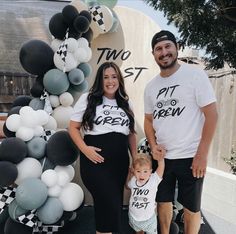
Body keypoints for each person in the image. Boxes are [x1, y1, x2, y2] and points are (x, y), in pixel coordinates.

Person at [144, 30, 218, 234]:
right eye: (159, 48)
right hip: (162, 158)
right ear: (153, 54)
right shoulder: (151, 87)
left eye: (168, 46)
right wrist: (152, 144)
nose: (164, 52)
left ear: (176, 48)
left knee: (192, 209)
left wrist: (202, 154)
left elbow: (212, 114)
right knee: (162, 203)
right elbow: (148, 119)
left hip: (191, 157)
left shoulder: (194, 75)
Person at [69, 61, 137, 234]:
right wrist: (85, 149)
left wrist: (135, 159)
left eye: (114, 77)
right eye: (106, 77)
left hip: (119, 163)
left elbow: (131, 134)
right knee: (108, 203)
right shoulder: (88, 98)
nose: (110, 81)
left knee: (111, 205)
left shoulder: (126, 104)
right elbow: (73, 127)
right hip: (95, 161)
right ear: (100, 80)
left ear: (119, 80)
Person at [126, 153, 164, 234]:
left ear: (150, 171)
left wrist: (160, 158)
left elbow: (161, 168)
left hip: (149, 219)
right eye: (138, 171)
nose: (142, 174)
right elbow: (127, 186)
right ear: (134, 171)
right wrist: (130, 173)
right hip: (134, 217)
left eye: (145, 171)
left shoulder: (153, 180)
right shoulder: (133, 180)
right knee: (139, 232)